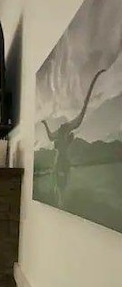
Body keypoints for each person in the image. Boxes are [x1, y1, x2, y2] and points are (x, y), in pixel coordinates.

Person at [41, 68, 107, 206]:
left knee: (61, 186)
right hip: (59, 163)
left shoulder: (63, 136)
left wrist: (46, 125)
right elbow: (51, 137)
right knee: (58, 186)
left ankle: (61, 201)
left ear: (68, 138)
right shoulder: (60, 137)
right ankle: (60, 199)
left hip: (63, 163)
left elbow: (82, 113)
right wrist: (45, 124)